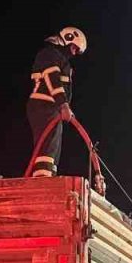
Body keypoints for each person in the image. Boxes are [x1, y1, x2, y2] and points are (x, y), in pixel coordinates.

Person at [26, 26, 86, 177]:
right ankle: (42, 179)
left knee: (52, 148)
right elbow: (52, 79)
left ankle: (49, 176)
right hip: (44, 105)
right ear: (67, 39)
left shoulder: (59, 58)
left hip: (52, 108)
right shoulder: (50, 54)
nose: (73, 53)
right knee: (46, 146)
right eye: (73, 48)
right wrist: (63, 104)